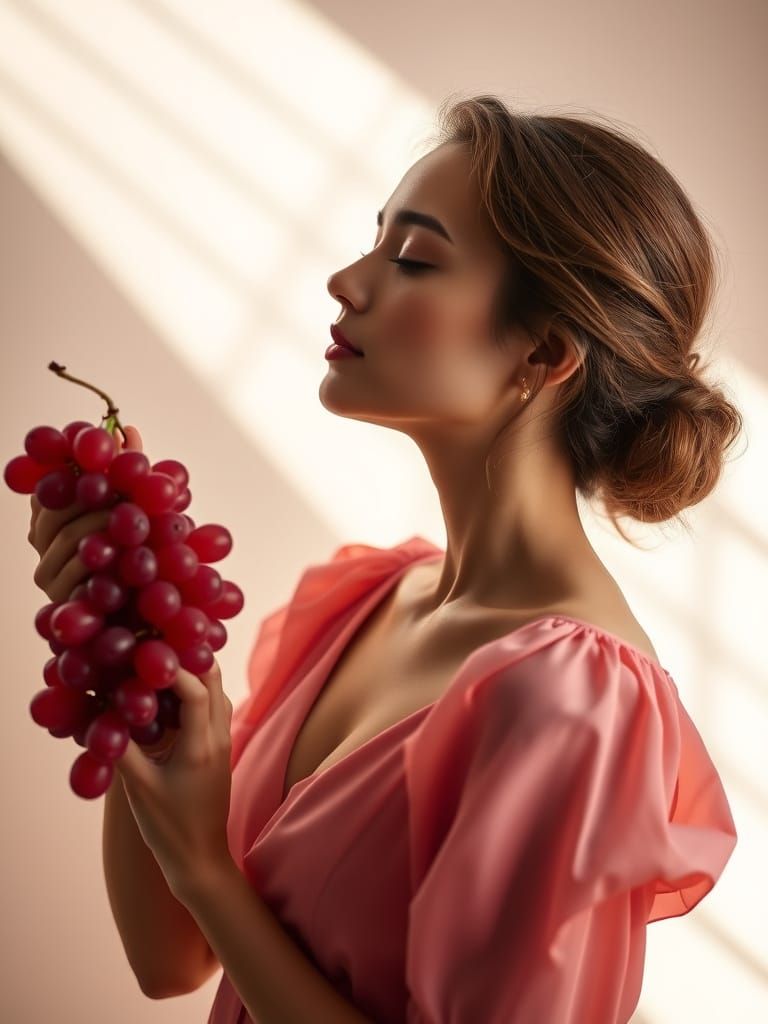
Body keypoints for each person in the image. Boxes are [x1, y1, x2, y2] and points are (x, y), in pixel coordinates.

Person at [31, 94, 741, 1023]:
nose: (345, 281)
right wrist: (140, 653)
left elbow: (206, 896)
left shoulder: (571, 703)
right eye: (376, 241)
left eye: (413, 259)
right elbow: (170, 963)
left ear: (547, 351)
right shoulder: (368, 597)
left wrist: (208, 870)